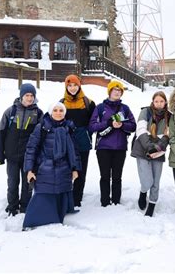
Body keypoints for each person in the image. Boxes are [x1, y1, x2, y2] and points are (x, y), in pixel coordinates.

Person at [22, 102, 80, 229]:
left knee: (60, 192)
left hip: (64, 167)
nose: (58, 113)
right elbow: (31, 149)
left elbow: (74, 150)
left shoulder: (68, 128)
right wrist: (29, 169)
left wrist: (75, 168)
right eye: (55, 110)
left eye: (61, 110)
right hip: (45, 166)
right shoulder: (42, 127)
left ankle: (59, 216)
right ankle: (35, 221)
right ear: (50, 112)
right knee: (44, 193)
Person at [0, 83, 43, 216]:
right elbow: (0, 134)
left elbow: (42, 136)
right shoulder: (10, 112)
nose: (29, 98)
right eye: (27, 95)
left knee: (28, 183)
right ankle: (12, 206)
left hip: (28, 157)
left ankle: (25, 206)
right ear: (21, 96)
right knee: (12, 182)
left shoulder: (38, 113)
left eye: (32, 95)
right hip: (11, 155)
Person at [89, 80, 136, 207]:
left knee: (117, 177)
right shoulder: (100, 108)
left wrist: (122, 125)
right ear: (109, 91)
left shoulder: (125, 108)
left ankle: (116, 201)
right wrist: (108, 123)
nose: (117, 92)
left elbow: (133, 126)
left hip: (120, 147)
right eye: (115, 90)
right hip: (103, 147)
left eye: (119, 90)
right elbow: (92, 127)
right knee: (104, 176)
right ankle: (105, 202)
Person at [131, 91, 171, 217]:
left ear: (165, 103)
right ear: (153, 102)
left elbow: (168, 135)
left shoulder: (169, 116)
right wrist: (149, 147)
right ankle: (143, 192)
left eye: (162, 101)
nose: (159, 104)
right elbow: (141, 130)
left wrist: (159, 147)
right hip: (143, 149)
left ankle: (152, 204)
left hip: (159, 151)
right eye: (156, 101)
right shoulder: (146, 112)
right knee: (147, 180)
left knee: (156, 182)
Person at [60, 74, 96, 207]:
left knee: (81, 171)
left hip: (83, 142)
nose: (73, 88)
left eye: (75, 85)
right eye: (69, 85)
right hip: (66, 143)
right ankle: (66, 196)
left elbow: (94, 122)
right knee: (67, 170)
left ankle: (77, 199)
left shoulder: (88, 103)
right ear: (66, 87)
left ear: (79, 86)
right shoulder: (62, 103)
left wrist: (87, 133)